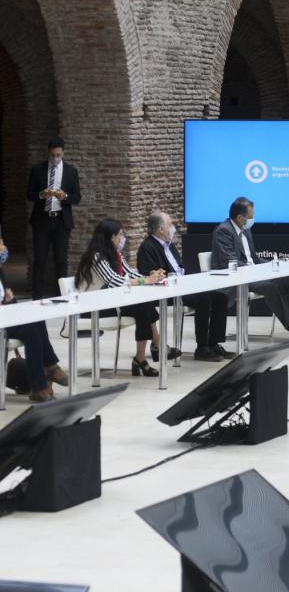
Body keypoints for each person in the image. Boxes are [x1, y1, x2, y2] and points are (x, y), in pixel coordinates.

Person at [210, 197, 289, 343]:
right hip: (237, 278)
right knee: (271, 287)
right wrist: (258, 271)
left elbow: (254, 259)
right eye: (250, 217)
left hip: (253, 274)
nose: (252, 219)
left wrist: (273, 264)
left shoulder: (245, 231)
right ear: (239, 217)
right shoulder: (224, 231)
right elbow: (229, 262)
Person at [75, 218, 170, 377]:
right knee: (142, 308)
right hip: (92, 306)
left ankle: (144, 355)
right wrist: (145, 281)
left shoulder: (115, 254)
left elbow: (129, 273)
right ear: (112, 237)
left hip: (110, 302)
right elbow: (114, 281)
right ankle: (152, 348)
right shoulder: (96, 257)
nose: (122, 238)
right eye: (120, 235)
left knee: (144, 306)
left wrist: (150, 276)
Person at [136, 210, 230, 362]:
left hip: (183, 286)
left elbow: (180, 268)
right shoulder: (147, 248)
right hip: (168, 292)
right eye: (170, 224)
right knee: (203, 298)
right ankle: (202, 347)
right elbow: (150, 275)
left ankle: (214, 343)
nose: (172, 227)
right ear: (160, 229)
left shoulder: (169, 245)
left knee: (220, 297)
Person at [0, 238, 69, 401]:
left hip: (5, 315)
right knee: (31, 328)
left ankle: (43, 379)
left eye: (3, 244)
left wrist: (6, 297)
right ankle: (47, 371)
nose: (3, 249)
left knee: (36, 318)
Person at [25, 137, 82, 299]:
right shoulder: (37, 170)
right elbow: (29, 195)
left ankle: (61, 296)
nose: (55, 158)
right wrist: (41, 195)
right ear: (48, 153)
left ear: (63, 153)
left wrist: (65, 196)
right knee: (40, 260)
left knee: (61, 260)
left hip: (61, 221)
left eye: (58, 155)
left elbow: (77, 197)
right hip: (41, 220)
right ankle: (37, 297)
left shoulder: (71, 171)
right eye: (52, 155)